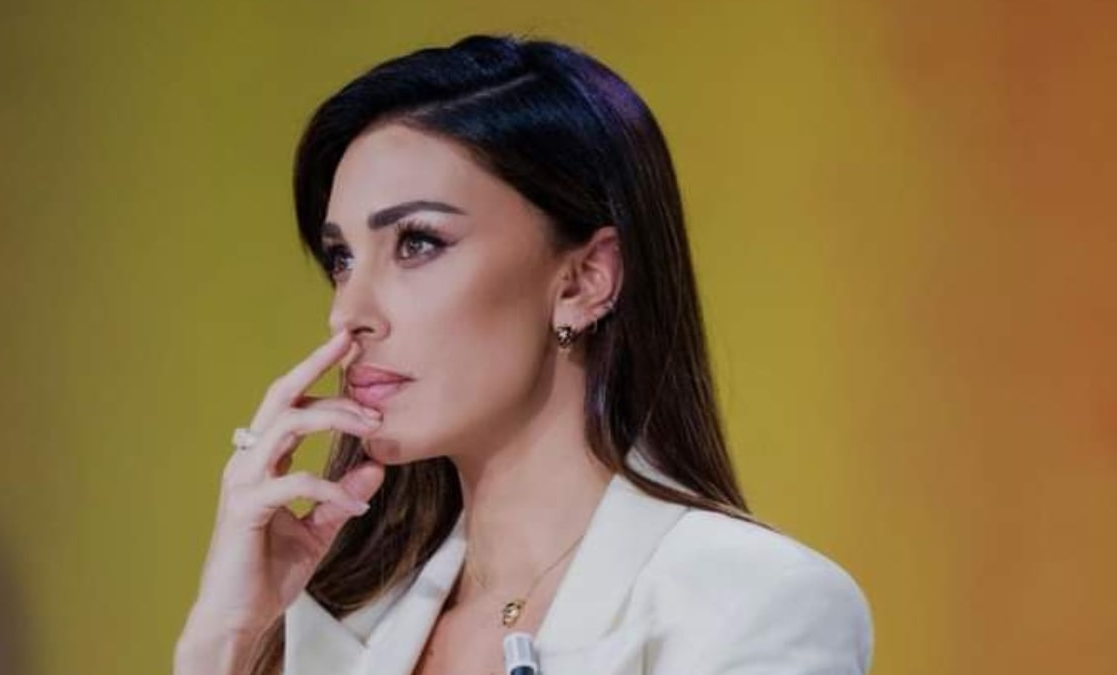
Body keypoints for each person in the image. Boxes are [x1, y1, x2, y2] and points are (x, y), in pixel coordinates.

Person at [174, 34, 873, 675]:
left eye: (417, 242)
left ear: (584, 280)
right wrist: (228, 637)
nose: (347, 313)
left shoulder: (754, 604)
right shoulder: (330, 632)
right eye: (341, 259)